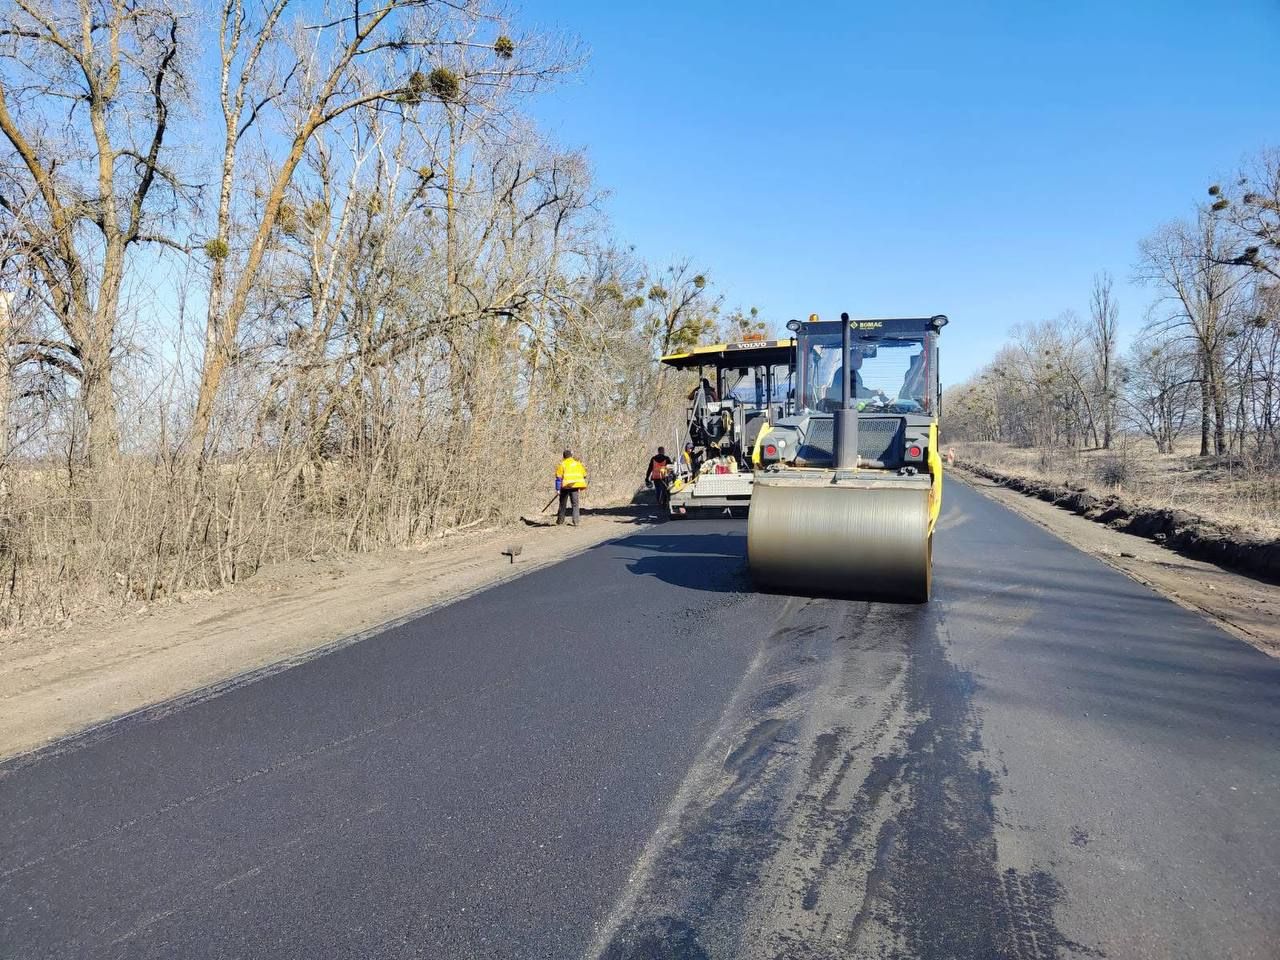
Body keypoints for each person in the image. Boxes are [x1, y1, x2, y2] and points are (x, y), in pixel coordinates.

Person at [555, 449, 587, 525]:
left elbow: (559, 478)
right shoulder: (577, 463)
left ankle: (560, 521)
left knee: (562, 504)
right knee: (575, 504)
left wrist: (558, 489)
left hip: (565, 487)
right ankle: (576, 521)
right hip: (575, 486)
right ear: (571, 456)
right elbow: (584, 475)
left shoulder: (562, 464)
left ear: (564, 456)